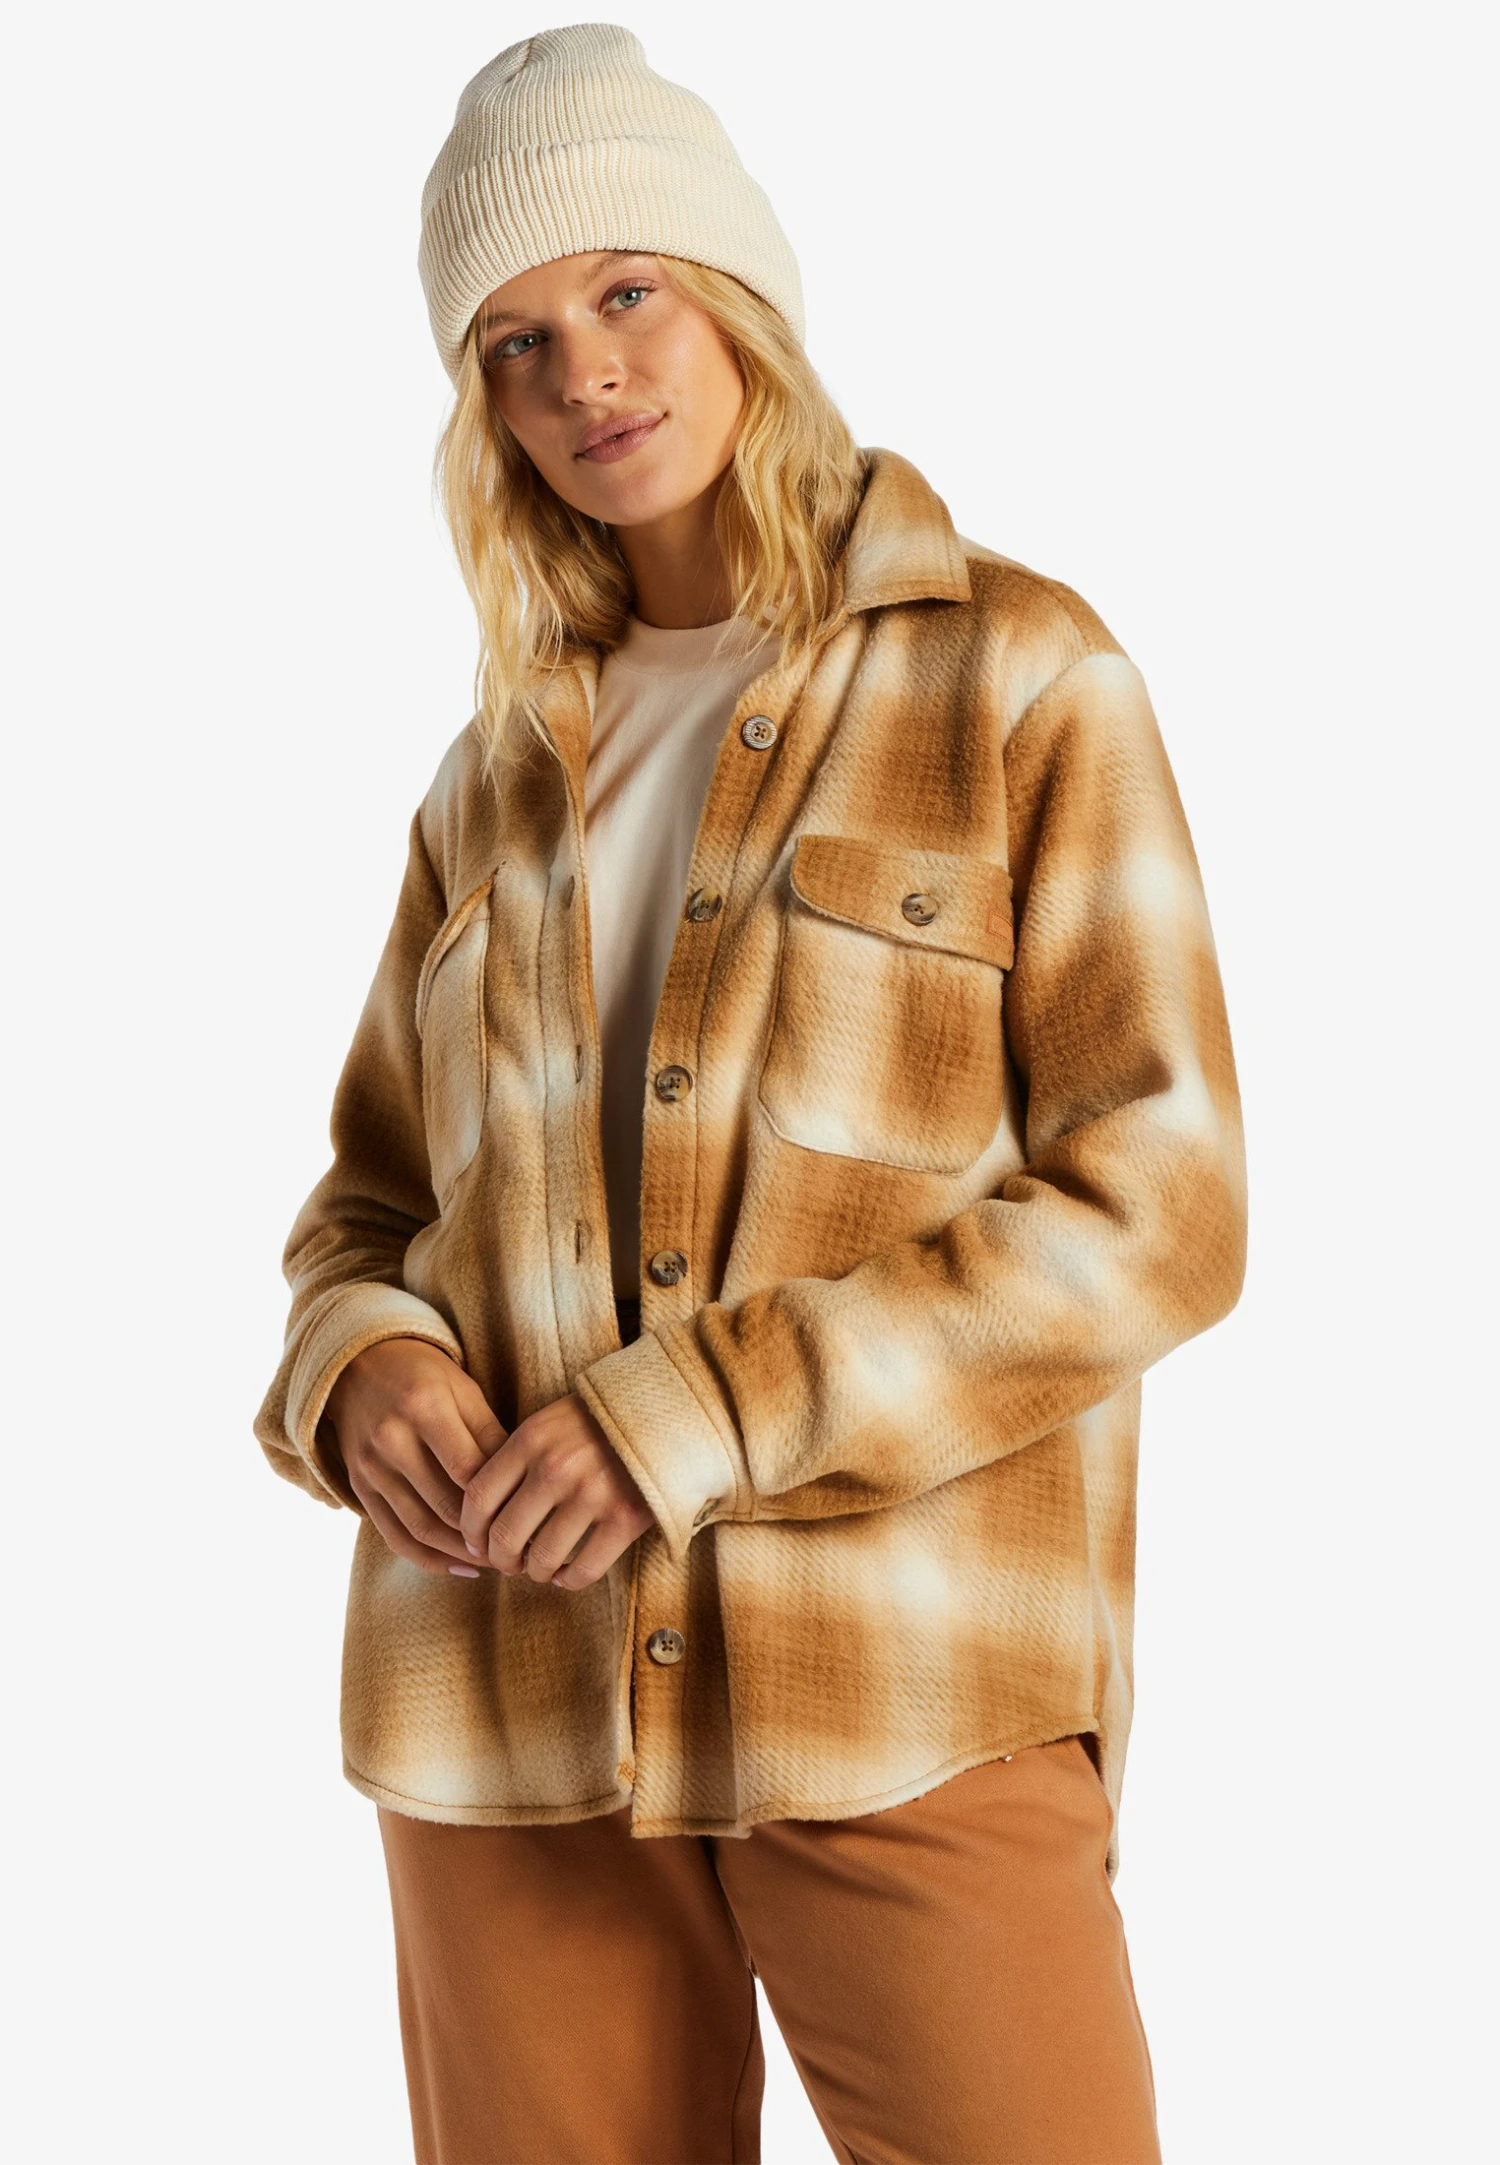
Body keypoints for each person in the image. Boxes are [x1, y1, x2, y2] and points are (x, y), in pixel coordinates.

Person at [254, 24, 1247, 2164]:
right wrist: (361, 1365)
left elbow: (1162, 1202)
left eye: (626, 289)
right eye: (514, 342)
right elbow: (365, 1206)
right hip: (506, 1694)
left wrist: (703, 1410)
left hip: (900, 1674)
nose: (583, 374)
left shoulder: (1018, 671)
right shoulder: (492, 781)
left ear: (739, 296)